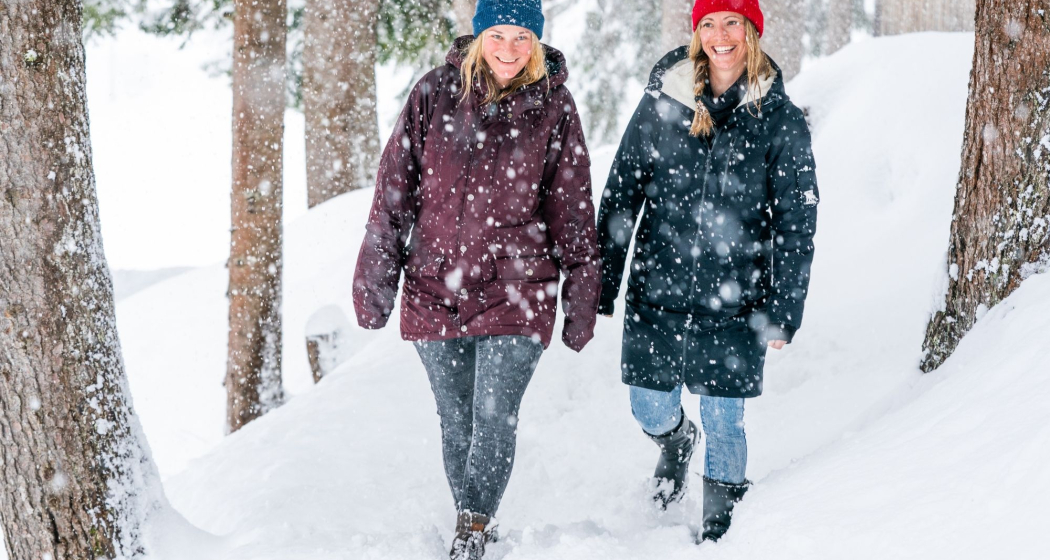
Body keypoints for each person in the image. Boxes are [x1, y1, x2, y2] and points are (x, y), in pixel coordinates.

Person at [353, 1, 600, 557]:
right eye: (498, 35)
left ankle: (474, 530)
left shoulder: (554, 107)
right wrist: (375, 284)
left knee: (493, 415)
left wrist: (581, 297)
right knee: (457, 418)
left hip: (519, 285)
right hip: (434, 286)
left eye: (521, 38)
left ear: (536, 42)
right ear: (479, 34)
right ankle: (473, 515)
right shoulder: (434, 93)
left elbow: (572, 207)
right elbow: (394, 192)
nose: (509, 49)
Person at [596, 0, 819, 543]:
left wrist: (783, 308)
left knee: (725, 420)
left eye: (733, 23)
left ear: (752, 32)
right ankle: (674, 442)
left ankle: (722, 534)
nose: (722, 36)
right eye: (710, 24)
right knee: (648, 407)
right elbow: (622, 192)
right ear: (697, 33)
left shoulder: (779, 120)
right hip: (657, 292)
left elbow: (797, 219)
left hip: (736, 301)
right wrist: (603, 281)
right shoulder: (664, 101)